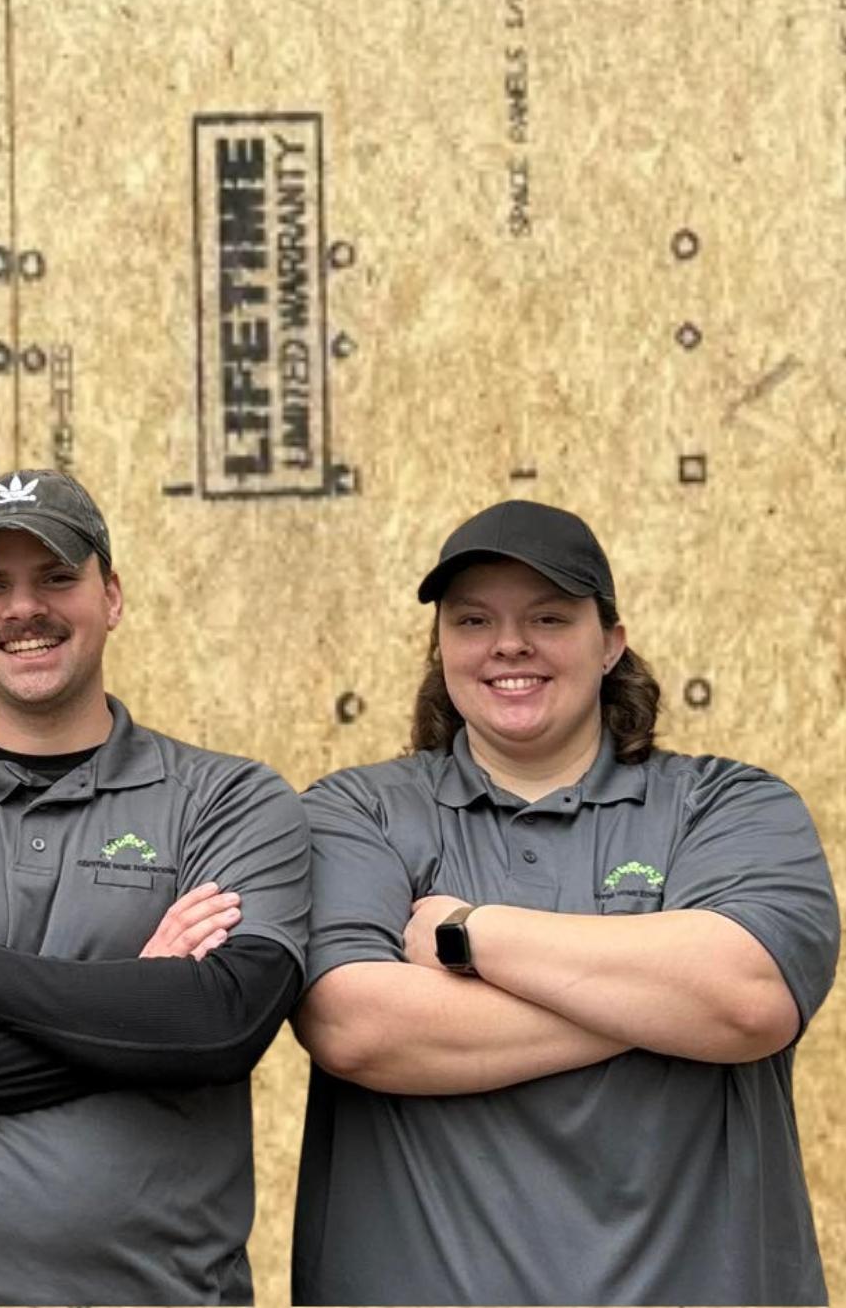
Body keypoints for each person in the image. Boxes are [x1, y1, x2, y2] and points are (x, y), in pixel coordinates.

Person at [292, 499, 838, 1305]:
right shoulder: (354, 814)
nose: (509, 643)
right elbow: (356, 1027)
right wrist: (653, 1002)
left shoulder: (728, 806)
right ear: (440, 647)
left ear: (610, 643)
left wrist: (468, 933)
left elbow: (744, 1000)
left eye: (547, 616)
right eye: (473, 620)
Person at [0, 468, 310, 1305]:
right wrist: (136, 1008)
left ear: (110, 596)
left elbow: (219, 1026)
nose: (22, 609)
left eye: (56, 577)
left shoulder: (231, 799)